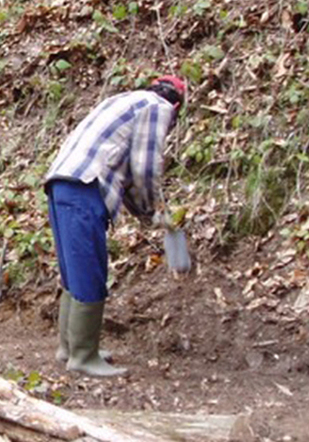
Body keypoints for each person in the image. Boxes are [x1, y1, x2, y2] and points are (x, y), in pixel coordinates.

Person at [45, 76, 186, 377]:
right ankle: (83, 356)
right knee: (90, 268)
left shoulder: (123, 100)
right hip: (85, 186)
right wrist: (154, 209)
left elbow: (127, 171)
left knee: (74, 266)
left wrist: (145, 213)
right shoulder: (158, 107)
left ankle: (69, 346)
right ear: (176, 106)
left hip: (61, 180)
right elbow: (145, 168)